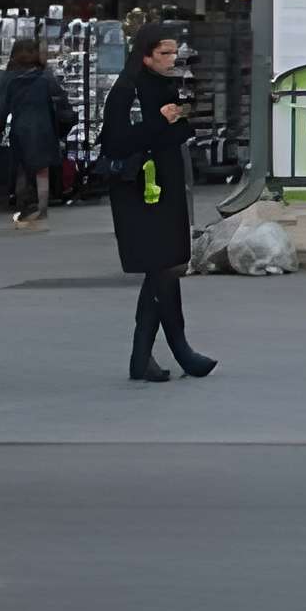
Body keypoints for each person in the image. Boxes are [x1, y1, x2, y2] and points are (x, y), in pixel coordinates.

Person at [101, 24, 215, 382]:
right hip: (139, 188)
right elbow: (115, 141)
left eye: (173, 53)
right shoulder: (126, 89)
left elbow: (175, 134)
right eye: (164, 53)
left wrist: (180, 118)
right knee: (163, 265)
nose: (171, 60)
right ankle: (181, 348)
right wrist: (159, 121)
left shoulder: (165, 85)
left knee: (164, 265)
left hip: (165, 182)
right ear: (146, 54)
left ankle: (142, 357)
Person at [0, 38, 74, 231]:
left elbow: (3, 109)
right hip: (44, 128)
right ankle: (42, 212)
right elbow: (60, 101)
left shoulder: (9, 78)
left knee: (22, 169)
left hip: (21, 129)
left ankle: (24, 211)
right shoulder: (45, 77)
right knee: (42, 171)